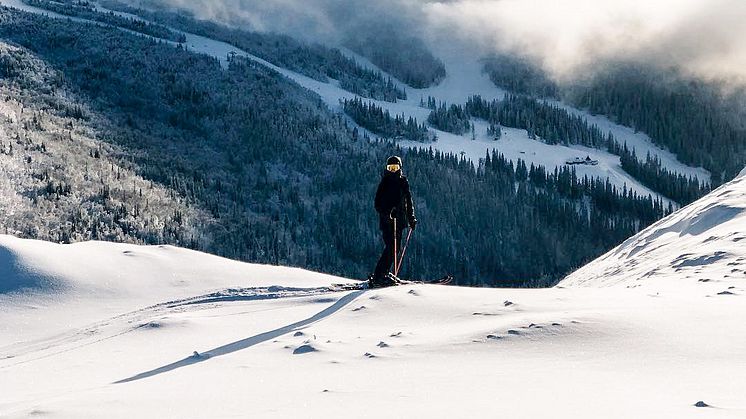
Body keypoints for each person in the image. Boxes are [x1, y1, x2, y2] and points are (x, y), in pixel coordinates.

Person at [370, 156, 417, 288]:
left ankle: (382, 273)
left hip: (400, 223)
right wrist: (388, 213)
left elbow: (408, 202)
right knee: (391, 248)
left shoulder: (403, 182)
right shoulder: (384, 183)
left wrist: (411, 218)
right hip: (387, 223)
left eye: (395, 168)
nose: (392, 171)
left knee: (394, 249)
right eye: (390, 168)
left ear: (400, 168)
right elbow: (377, 204)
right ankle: (379, 275)